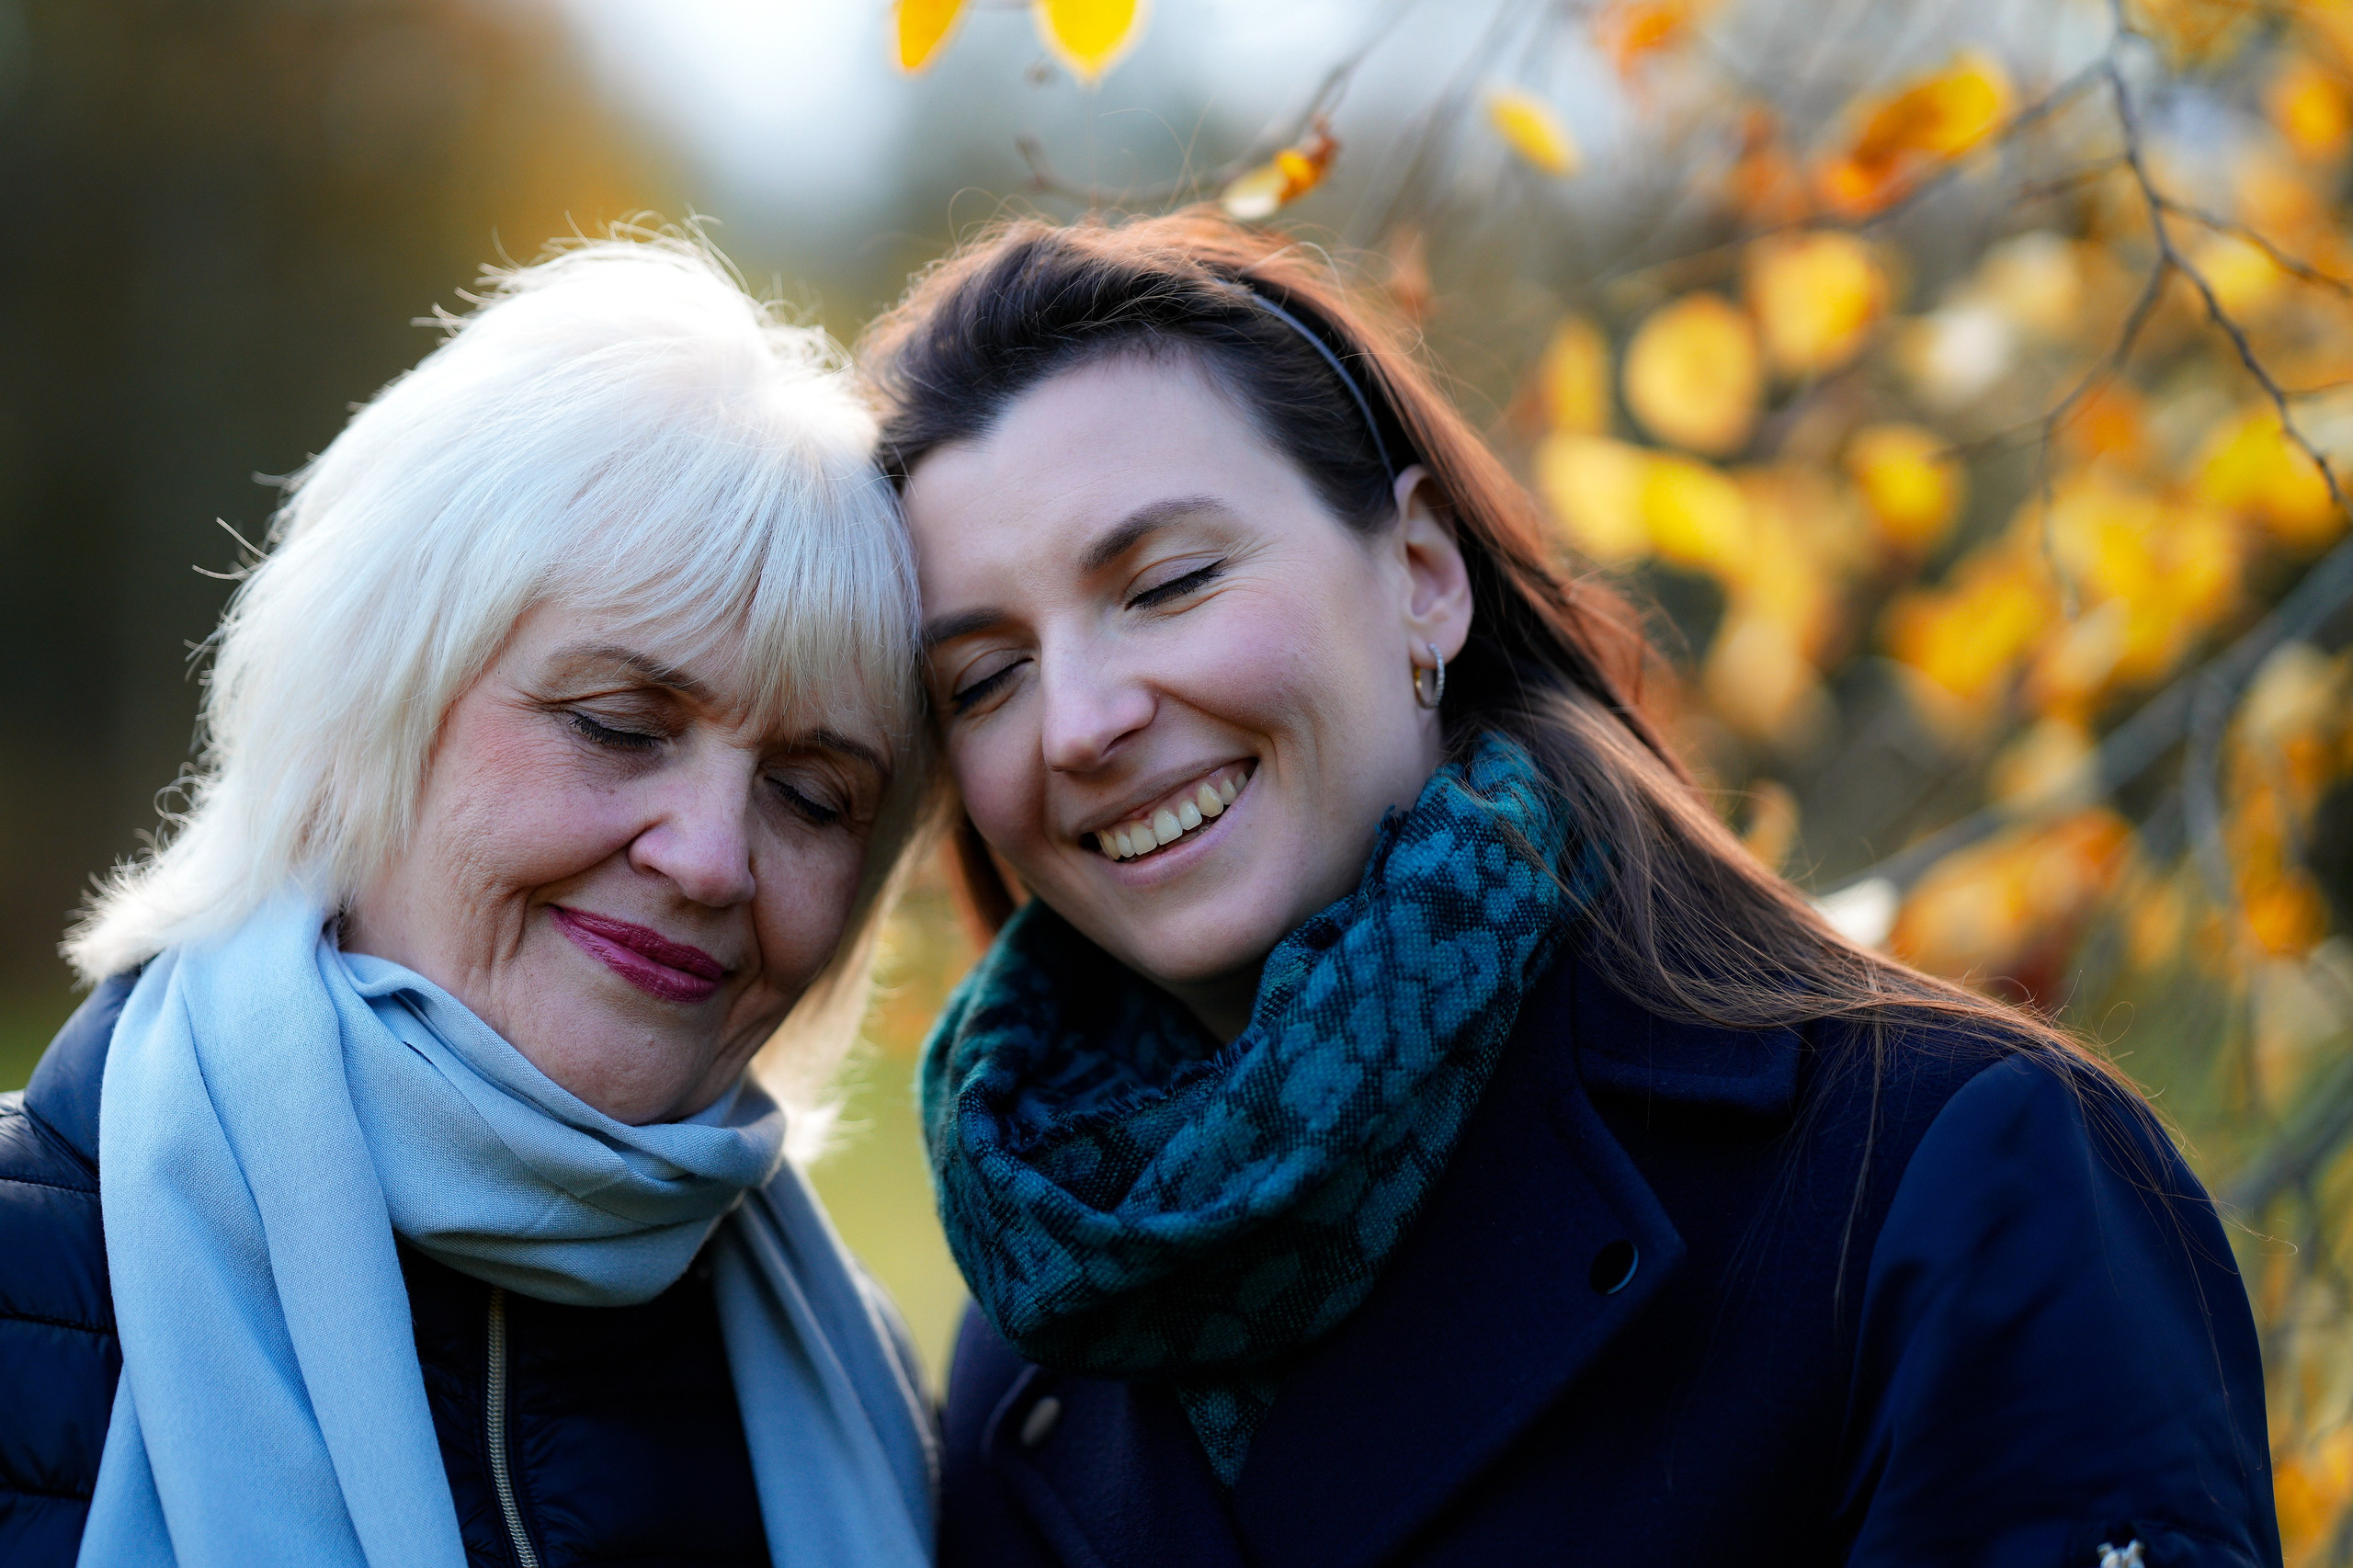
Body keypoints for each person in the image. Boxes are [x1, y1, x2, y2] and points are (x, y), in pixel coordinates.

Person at [861, 209, 2281, 1567]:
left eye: (1166, 582)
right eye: (986, 677)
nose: (1082, 721)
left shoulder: (1931, 1182)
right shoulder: (1037, 1334)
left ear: (1422, 575)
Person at [0, 236, 938, 1568]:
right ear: (371, 700)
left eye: (812, 795)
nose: (713, 858)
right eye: (618, 723)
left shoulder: (867, 1381)